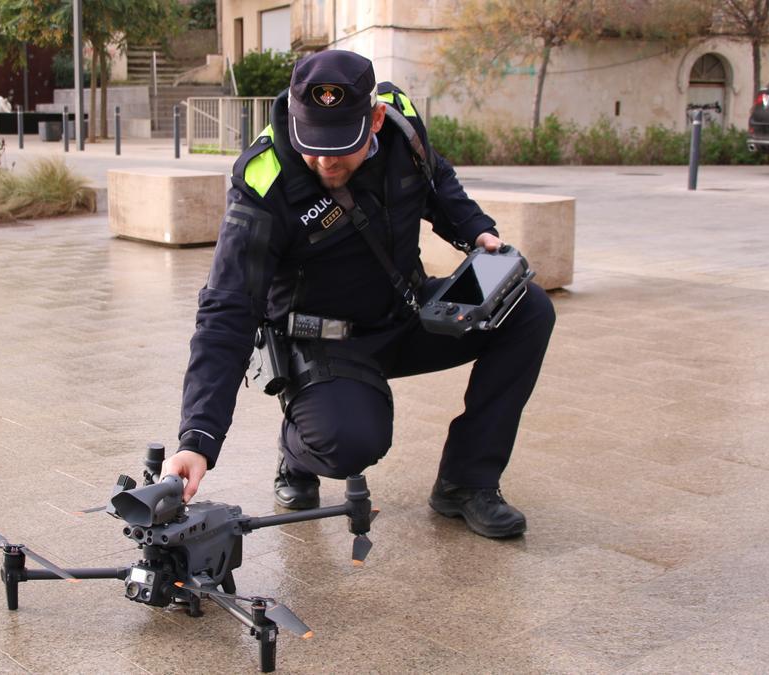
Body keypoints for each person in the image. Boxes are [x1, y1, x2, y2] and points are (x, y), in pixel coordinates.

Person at [162, 50, 555, 538]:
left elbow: (437, 180)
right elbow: (226, 309)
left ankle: (466, 482)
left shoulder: (401, 127)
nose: (324, 159)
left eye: (339, 145)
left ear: (372, 120)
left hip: (404, 313)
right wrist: (197, 437)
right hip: (324, 340)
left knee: (528, 309)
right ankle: (295, 446)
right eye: (313, 144)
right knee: (349, 443)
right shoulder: (263, 182)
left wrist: (477, 231)